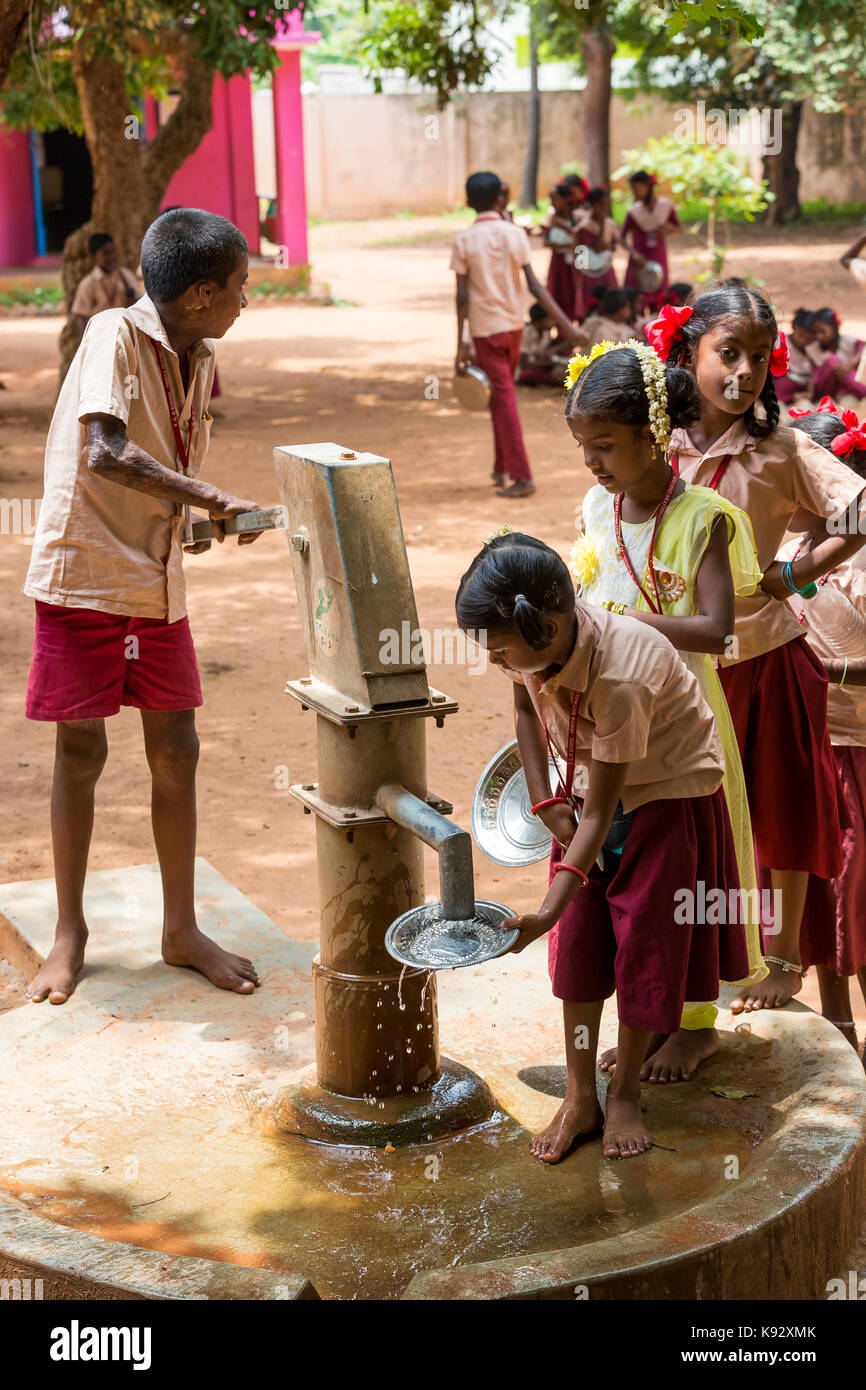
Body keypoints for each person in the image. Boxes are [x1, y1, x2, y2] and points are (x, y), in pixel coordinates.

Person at [23, 208, 263, 1005]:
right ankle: (69, 931)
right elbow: (104, 450)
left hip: (154, 577)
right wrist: (208, 495)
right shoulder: (111, 335)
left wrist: (191, 520)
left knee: (177, 749)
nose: (244, 300)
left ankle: (180, 928)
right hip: (86, 571)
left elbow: (152, 463)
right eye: (238, 287)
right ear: (198, 293)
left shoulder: (196, 355)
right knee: (81, 755)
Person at [456, 533, 749, 1160]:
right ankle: (580, 1095)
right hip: (591, 794)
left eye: (503, 653)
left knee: (647, 945)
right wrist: (543, 800)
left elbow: (599, 817)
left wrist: (545, 912)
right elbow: (527, 712)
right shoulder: (533, 653)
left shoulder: (621, 674)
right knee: (580, 951)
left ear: (550, 627)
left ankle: (624, 1099)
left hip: (666, 795)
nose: (501, 665)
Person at [654, 278, 866, 1011]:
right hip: (674, 664)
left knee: (779, 810)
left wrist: (789, 576)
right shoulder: (659, 443)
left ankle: (780, 959)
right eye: (727, 353)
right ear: (688, 351)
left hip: (765, 655)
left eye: (758, 359)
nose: (743, 373)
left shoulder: (778, 449)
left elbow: (860, 509)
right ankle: (706, 969)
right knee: (694, 817)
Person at [566, 339, 765, 1082]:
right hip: (612, 707)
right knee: (625, 866)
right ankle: (645, 1012)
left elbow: (716, 630)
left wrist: (621, 628)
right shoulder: (598, 506)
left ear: (656, 435)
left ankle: (695, 1021)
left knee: (688, 873)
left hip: (682, 718)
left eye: (606, 446)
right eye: (585, 447)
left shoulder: (702, 518)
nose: (593, 462)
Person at [779, 406, 866, 1047]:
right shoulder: (786, 554)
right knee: (821, 895)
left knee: (854, 897)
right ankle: (838, 1030)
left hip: (857, 752)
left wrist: (827, 675)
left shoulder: (858, 569)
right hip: (807, 750)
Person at [451, 171, 586, 500]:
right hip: (513, 326)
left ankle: (523, 476)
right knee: (500, 397)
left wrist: (459, 345)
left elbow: (462, 298)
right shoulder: (514, 234)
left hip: (485, 330)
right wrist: (567, 326)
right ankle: (501, 467)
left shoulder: (464, 240)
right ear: (500, 196)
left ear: (468, 202)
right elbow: (536, 286)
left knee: (503, 399)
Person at [622, 171, 681, 314]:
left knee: (660, 296)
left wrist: (669, 229)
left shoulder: (665, 206)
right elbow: (621, 237)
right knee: (637, 295)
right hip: (639, 259)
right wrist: (633, 254)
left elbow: (678, 228)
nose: (634, 192)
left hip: (658, 256)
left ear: (647, 186)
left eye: (636, 187)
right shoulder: (634, 211)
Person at [71, 233, 140, 336]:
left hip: (124, 335)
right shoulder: (88, 283)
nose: (111, 257)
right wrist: (86, 341)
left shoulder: (126, 276)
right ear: (94, 257)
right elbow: (81, 317)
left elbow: (139, 303)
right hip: (100, 336)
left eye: (113, 252)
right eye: (105, 253)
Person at [573, 187, 619, 319]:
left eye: (606, 204)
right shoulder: (585, 226)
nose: (604, 208)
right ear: (592, 204)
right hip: (590, 273)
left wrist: (607, 245)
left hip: (606, 270)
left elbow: (613, 246)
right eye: (601, 204)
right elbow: (593, 248)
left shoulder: (610, 224)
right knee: (591, 303)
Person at [808, 307, 866, 403]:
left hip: (848, 386)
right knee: (832, 363)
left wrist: (851, 363)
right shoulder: (813, 348)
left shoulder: (847, 340)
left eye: (822, 331)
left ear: (834, 328)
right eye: (816, 332)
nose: (819, 336)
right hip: (825, 389)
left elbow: (863, 347)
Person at [542, 182, 578, 320]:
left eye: (555, 199)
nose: (552, 203)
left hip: (574, 265)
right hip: (557, 264)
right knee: (557, 294)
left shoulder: (576, 218)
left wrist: (564, 228)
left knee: (573, 293)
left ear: (565, 199)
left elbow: (581, 241)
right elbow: (546, 241)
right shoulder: (551, 219)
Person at [516, 303, 571, 387]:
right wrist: (545, 364)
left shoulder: (546, 332)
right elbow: (524, 364)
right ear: (537, 322)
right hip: (529, 368)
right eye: (548, 319)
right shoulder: (526, 333)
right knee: (532, 375)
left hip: (542, 365)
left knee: (563, 340)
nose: (552, 322)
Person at [773, 308, 815, 406]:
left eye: (808, 337)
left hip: (804, 390)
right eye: (801, 335)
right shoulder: (780, 342)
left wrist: (809, 393)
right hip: (781, 390)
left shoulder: (813, 348)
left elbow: (815, 374)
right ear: (794, 328)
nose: (803, 340)